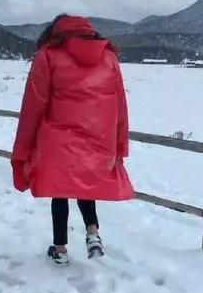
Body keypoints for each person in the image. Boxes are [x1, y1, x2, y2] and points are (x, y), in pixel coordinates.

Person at [11, 14, 133, 265]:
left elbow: (33, 107)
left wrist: (23, 150)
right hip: (99, 139)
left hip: (58, 139)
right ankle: (92, 233)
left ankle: (60, 250)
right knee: (84, 185)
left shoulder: (48, 56)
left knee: (61, 192)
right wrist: (120, 146)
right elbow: (120, 106)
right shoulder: (109, 58)